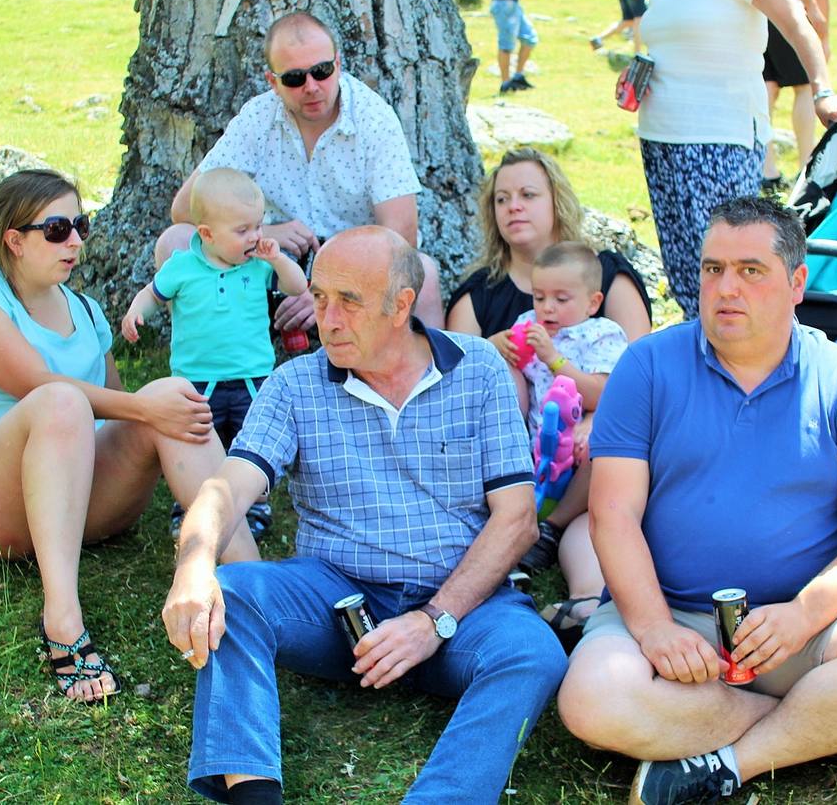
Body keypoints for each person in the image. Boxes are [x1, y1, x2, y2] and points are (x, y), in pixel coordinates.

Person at [556, 197, 837, 805]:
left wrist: (803, 613)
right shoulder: (646, 366)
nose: (726, 288)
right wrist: (653, 628)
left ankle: (731, 760)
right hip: (669, 612)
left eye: (750, 271)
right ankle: (830, 728)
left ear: (797, 283)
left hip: (800, 627)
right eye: (711, 269)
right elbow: (612, 515)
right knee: (591, 700)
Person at [161, 226, 569, 804]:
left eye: (348, 301)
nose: (325, 319)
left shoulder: (477, 369)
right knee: (232, 593)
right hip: (337, 602)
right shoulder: (296, 384)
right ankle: (252, 794)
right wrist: (193, 566)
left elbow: (516, 520)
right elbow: (227, 488)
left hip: (464, 604)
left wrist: (434, 621)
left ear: (402, 305)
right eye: (320, 298)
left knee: (533, 654)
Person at [0, 169, 250, 704]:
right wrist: (144, 407)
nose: (75, 239)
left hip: (76, 503)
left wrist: (154, 407)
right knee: (61, 400)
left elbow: (116, 410)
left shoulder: (86, 310)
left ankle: (255, 581)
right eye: (56, 229)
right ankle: (63, 620)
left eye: (80, 224)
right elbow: (38, 385)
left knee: (174, 394)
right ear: (14, 240)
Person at [154, 10, 445, 332]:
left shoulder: (374, 119)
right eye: (294, 78)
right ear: (272, 82)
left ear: (338, 64)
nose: (311, 87)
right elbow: (184, 208)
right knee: (176, 242)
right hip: (264, 262)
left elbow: (400, 233)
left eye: (321, 71)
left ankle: (427, 378)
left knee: (423, 273)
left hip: (356, 270)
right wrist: (259, 234)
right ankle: (216, 366)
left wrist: (325, 293)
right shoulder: (257, 118)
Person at [635, 0, 837, 320]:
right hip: (660, 137)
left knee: (725, 267)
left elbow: (796, 22)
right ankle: (699, 361)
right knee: (685, 273)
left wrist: (822, 89)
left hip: (721, 138)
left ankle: (744, 358)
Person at [446, 148, 652, 586]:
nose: (513, 206)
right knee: (496, 368)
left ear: (556, 201)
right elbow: (453, 388)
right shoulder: (479, 295)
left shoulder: (604, 275)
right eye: (502, 199)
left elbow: (641, 375)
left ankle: (549, 535)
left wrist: (597, 419)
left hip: (594, 437)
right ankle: (511, 517)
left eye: (527, 194)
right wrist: (490, 350)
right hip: (519, 441)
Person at [122, 168, 308, 540]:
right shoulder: (182, 267)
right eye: (243, 231)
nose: (255, 237)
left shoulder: (258, 267)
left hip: (251, 376)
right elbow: (153, 294)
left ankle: (252, 507)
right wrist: (136, 310)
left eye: (258, 226)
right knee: (198, 440)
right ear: (206, 234)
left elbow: (297, 286)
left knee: (247, 441)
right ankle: (191, 504)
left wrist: (279, 261)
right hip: (196, 377)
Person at [509, 242, 629, 642]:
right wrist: (501, 345)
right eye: (540, 297)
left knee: (601, 461)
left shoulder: (602, 333)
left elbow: (604, 394)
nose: (547, 309)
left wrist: (554, 358)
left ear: (593, 302)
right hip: (535, 457)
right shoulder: (531, 324)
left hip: (579, 466)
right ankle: (526, 549)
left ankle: (549, 537)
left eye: (561, 299)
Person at [761, 0, 835, 189]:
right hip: (794, 19)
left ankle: (767, 169)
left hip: (759, 19)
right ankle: (806, 164)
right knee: (805, 88)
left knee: (767, 88)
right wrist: (822, 34)